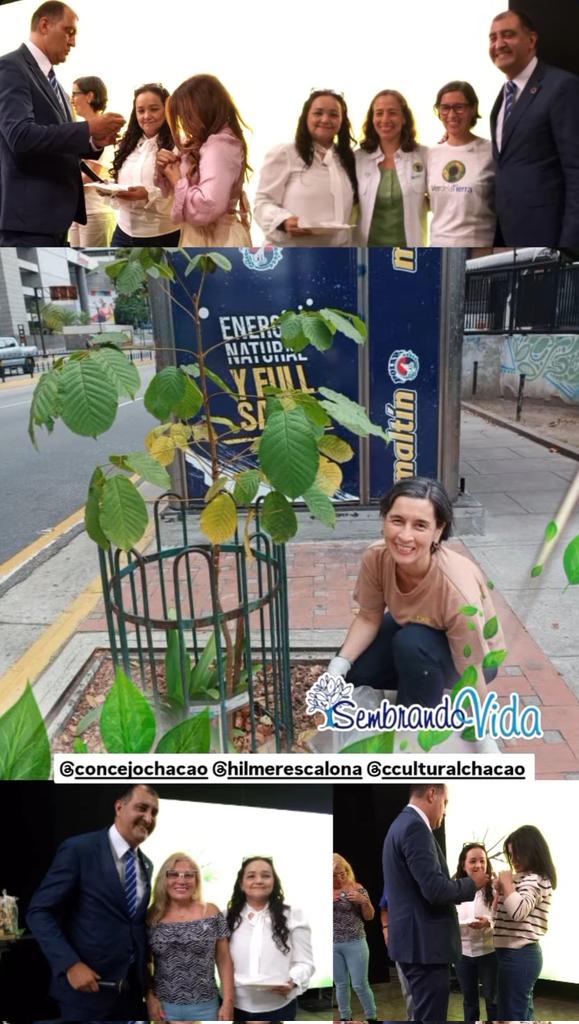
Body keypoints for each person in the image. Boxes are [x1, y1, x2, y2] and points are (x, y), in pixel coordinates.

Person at [327, 476, 504, 706]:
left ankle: (416, 722)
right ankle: (418, 680)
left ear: (438, 531)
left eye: (420, 525)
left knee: (412, 644)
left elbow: (472, 667)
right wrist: (338, 665)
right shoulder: (376, 557)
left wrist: (481, 726)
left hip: (476, 658)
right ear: (384, 519)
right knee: (357, 674)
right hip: (416, 627)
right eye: (397, 520)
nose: (404, 536)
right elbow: (369, 616)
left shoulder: (457, 590)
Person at [26, 784, 159, 1021]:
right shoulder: (80, 849)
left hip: (130, 994)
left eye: (154, 812)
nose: (148, 818)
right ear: (119, 807)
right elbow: (39, 912)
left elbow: (134, 927)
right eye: (142, 808)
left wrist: (148, 988)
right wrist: (70, 965)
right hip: (86, 992)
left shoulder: (146, 864)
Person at [0, 1, 124, 245]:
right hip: (27, 222)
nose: (73, 42)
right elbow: (20, 136)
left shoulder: (55, 82)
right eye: (69, 31)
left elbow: (59, 141)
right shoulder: (11, 67)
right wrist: (88, 128)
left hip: (53, 219)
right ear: (45, 25)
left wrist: (93, 140)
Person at [382, 784, 489, 1023]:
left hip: (416, 946)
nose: (445, 810)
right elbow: (435, 890)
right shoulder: (414, 828)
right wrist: (473, 884)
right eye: (446, 802)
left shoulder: (400, 825)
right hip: (425, 949)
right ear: (432, 793)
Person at [489, 9, 579, 247]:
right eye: (493, 38)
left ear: (531, 40)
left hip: (549, 239)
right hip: (507, 238)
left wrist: (569, 246)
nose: (498, 44)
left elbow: (575, 169)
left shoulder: (561, 86)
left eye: (508, 35)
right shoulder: (503, 96)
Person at [155, 73, 252, 247]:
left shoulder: (219, 145)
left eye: (186, 115)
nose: (183, 123)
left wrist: (176, 179)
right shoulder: (204, 142)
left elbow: (207, 206)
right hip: (201, 237)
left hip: (216, 240)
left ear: (203, 108)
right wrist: (167, 167)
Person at [253, 89, 357, 246]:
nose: (325, 119)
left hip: (337, 255)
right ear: (306, 117)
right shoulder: (285, 153)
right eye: (318, 113)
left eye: (333, 114)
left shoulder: (347, 159)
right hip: (292, 254)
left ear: (342, 121)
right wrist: (283, 221)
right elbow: (262, 202)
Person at [146, 851, 234, 1022]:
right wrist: (150, 997)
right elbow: (145, 963)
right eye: (173, 874)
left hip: (207, 1006)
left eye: (189, 875)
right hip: (164, 1007)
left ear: (197, 880)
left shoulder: (211, 912)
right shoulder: (152, 916)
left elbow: (224, 959)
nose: (181, 880)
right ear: (164, 879)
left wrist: (228, 1001)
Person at [226, 856, 314, 1021]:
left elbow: (305, 963)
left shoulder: (293, 915)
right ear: (241, 884)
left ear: (274, 882)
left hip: (278, 1007)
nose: (258, 880)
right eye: (251, 876)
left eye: (266, 875)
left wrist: (293, 981)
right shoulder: (227, 918)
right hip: (234, 1006)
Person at [493, 824, 557, 1020]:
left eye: (517, 854)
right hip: (512, 953)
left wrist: (507, 885)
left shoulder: (536, 879)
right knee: (519, 1010)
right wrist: (500, 890)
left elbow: (518, 912)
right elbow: (500, 915)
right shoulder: (521, 878)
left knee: (512, 1013)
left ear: (531, 851)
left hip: (520, 954)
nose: (513, 861)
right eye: (510, 855)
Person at [109, 82, 180, 246]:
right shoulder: (127, 144)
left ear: (167, 110)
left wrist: (148, 194)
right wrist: (110, 189)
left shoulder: (179, 146)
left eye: (154, 109)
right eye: (141, 111)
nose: (146, 116)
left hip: (161, 233)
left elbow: (182, 191)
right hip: (123, 232)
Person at [355, 90, 427, 246]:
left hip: (411, 253)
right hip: (366, 252)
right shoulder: (357, 159)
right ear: (372, 119)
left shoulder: (425, 156)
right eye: (379, 113)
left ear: (404, 119)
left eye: (392, 113)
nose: (385, 119)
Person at [427, 81, 495, 246]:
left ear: (473, 109)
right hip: (437, 245)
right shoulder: (430, 154)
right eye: (445, 108)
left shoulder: (491, 151)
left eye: (459, 107)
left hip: (478, 244)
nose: (451, 114)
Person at [68, 75, 116, 246]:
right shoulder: (78, 131)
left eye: (75, 94)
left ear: (89, 96)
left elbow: (91, 174)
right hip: (76, 211)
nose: (71, 99)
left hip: (95, 212)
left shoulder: (104, 129)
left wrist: (62, 184)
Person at [453, 843, 498, 1022]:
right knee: (469, 1002)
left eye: (482, 861)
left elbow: (501, 918)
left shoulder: (494, 888)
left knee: (493, 1000)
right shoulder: (454, 888)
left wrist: (489, 922)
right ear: (464, 865)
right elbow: (448, 918)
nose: (478, 865)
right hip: (463, 954)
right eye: (473, 861)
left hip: (489, 952)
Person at [333, 853, 378, 1024]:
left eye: (342, 873)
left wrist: (364, 901)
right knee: (341, 984)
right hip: (332, 944)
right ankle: (345, 1018)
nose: (339, 878)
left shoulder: (357, 888)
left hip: (355, 941)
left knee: (360, 984)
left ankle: (372, 1017)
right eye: (334, 875)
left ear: (347, 871)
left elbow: (370, 916)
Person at [379, 886, 414, 1020]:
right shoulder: (391, 882)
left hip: (425, 945)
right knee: (408, 990)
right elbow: (384, 908)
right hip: (400, 944)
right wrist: (386, 928)